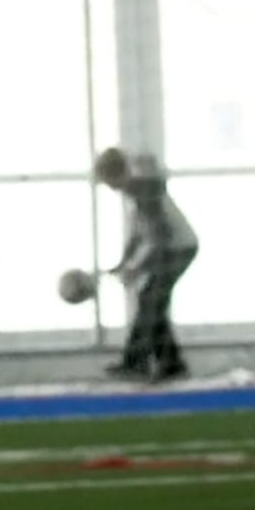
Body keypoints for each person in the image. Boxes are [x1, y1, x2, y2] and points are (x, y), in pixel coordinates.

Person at [95, 147, 197, 382]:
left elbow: (161, 237)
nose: (108, 187)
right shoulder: (132, 192)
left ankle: (136, 362)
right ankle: (171, 365)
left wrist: (136, 268)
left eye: (107, 181)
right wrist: (122, 263)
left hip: (180, 248)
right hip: (171, 248)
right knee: (152, 301)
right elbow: (138, 235)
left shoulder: (143, 190)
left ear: (114, 174)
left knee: (150, 300)